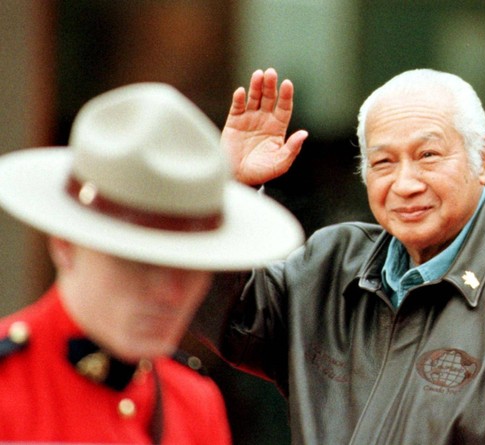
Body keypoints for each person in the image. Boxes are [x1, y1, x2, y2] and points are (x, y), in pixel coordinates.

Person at [192, 67, 485, 444]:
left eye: (427, 155)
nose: (405, 184)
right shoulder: (328, 265)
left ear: (482, 157)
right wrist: (228, 192)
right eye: (383, 162)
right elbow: (213, 310)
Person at [0, 82, 303, 443]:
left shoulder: (193, 401)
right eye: (137, 262)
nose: (169, 293)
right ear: (65, 244)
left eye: (190, 266)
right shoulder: (9, 386)